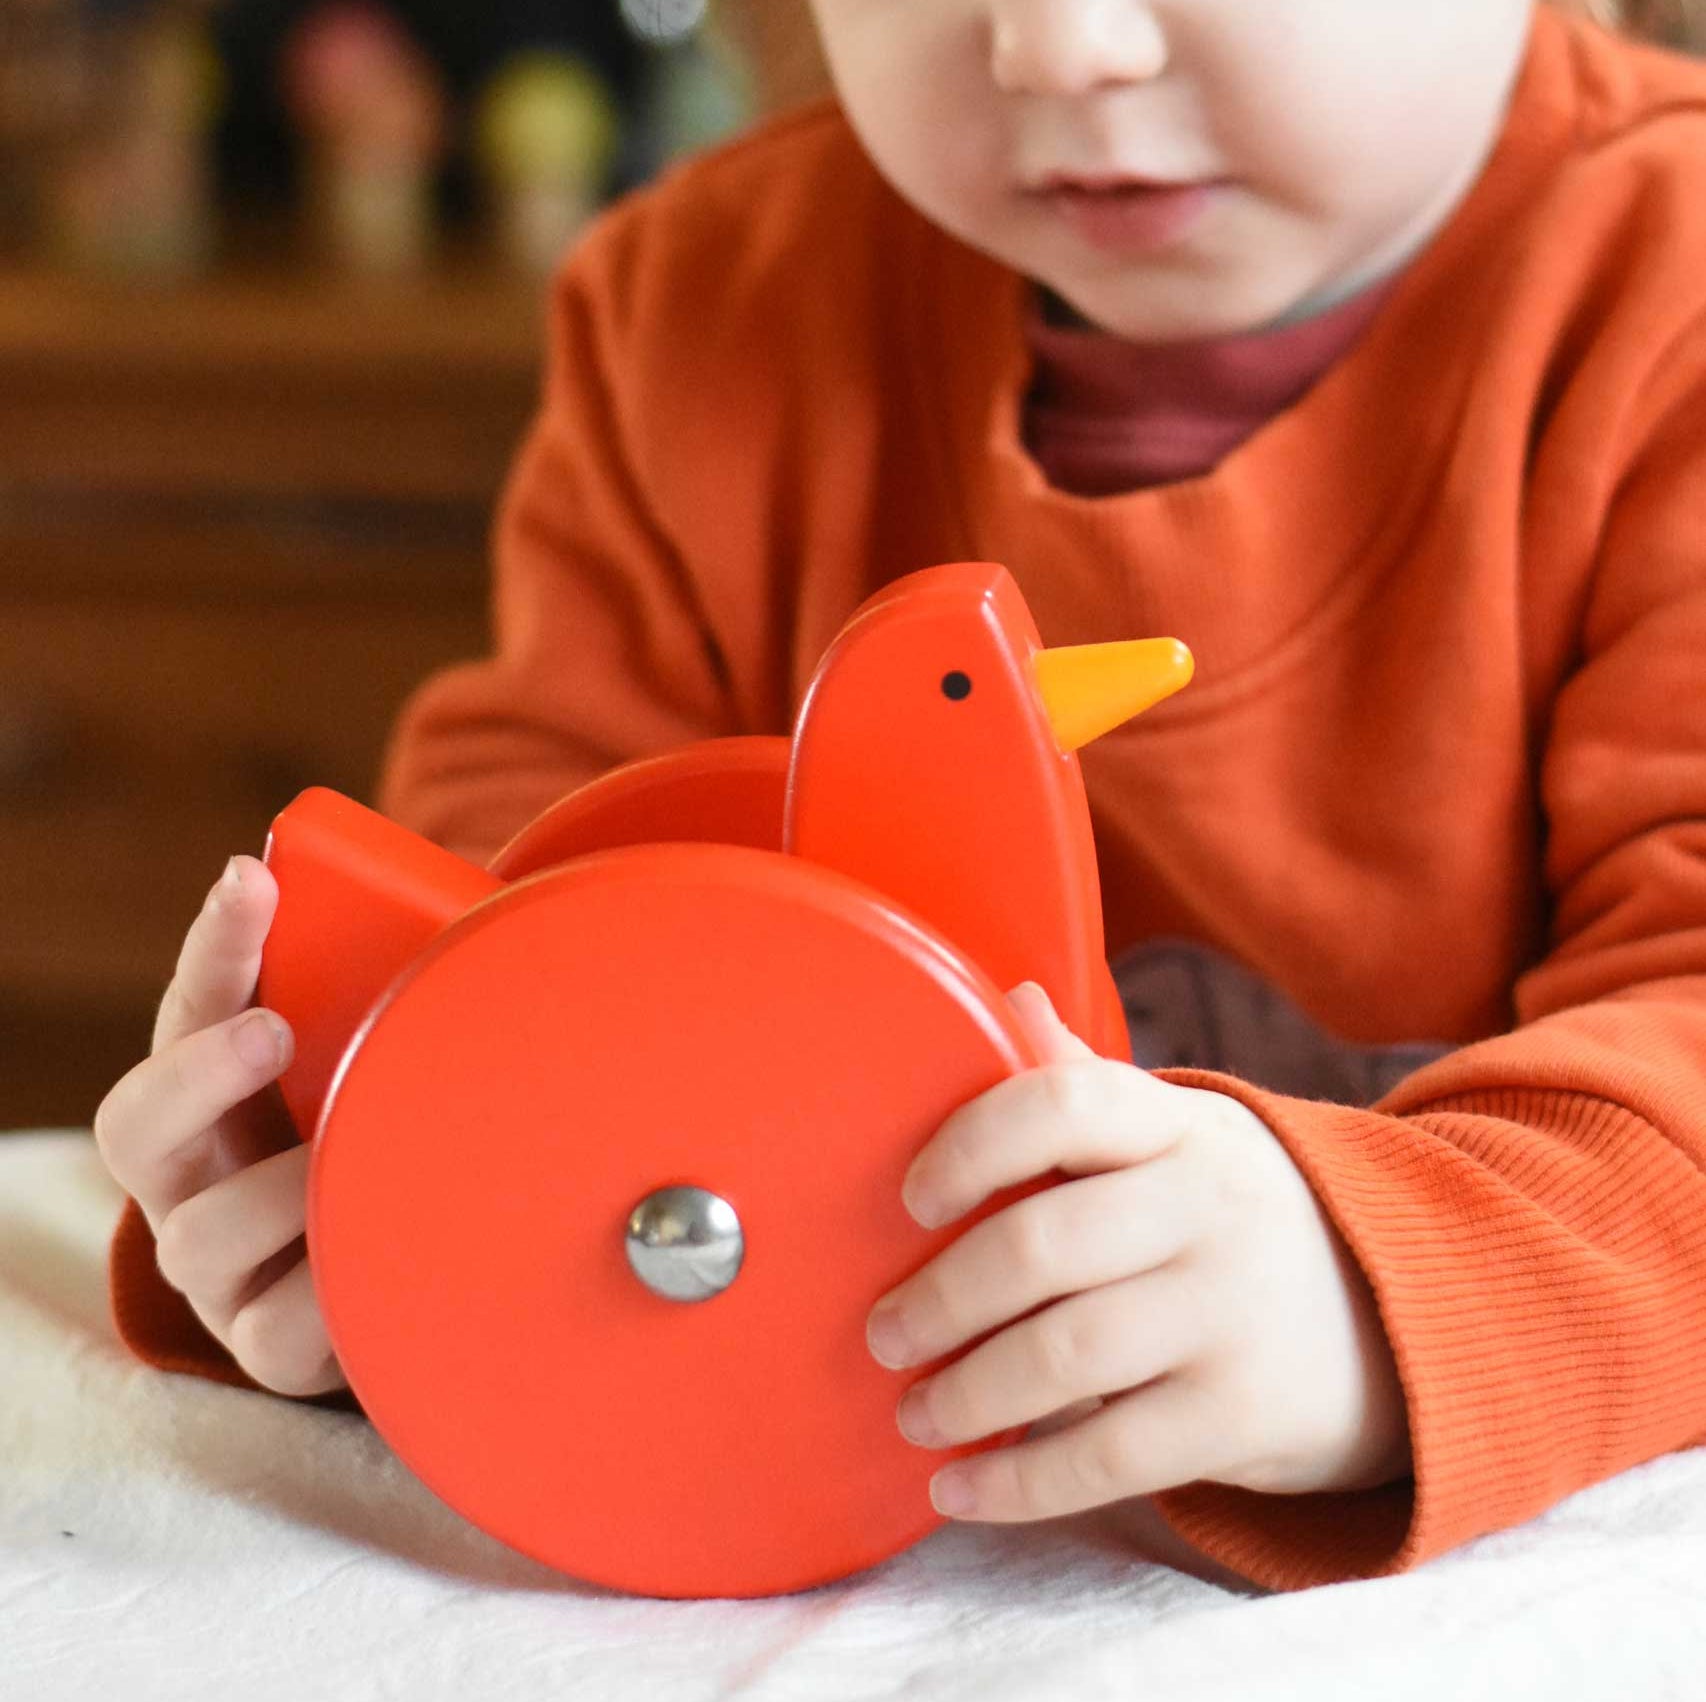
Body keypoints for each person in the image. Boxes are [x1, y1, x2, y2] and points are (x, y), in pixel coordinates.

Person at [94, 0, 1706, 1592]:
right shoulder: (698, 301)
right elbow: (518, 890)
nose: (1058, 49)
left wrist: (1375, 1299)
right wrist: (348, 1202)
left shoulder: (1670, 291)